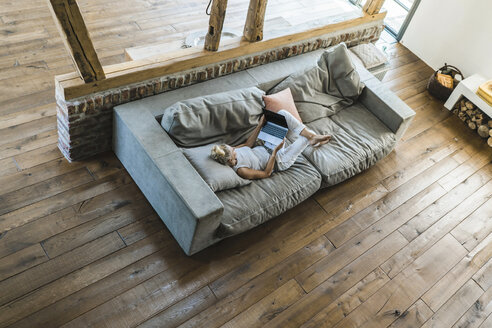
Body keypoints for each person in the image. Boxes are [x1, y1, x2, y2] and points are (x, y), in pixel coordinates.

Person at [210, 110, 331, 180]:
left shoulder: (234, 151)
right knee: (303, 139)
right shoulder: (241, 170)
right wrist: (274, 153)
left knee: (281, 114)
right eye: (233, 150)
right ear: (230, 159)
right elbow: (266, 174)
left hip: (270, 145)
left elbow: (248, 144)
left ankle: (312, 138)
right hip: (279, 161)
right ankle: (312, 139)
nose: (234, 148)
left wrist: (260, 125)